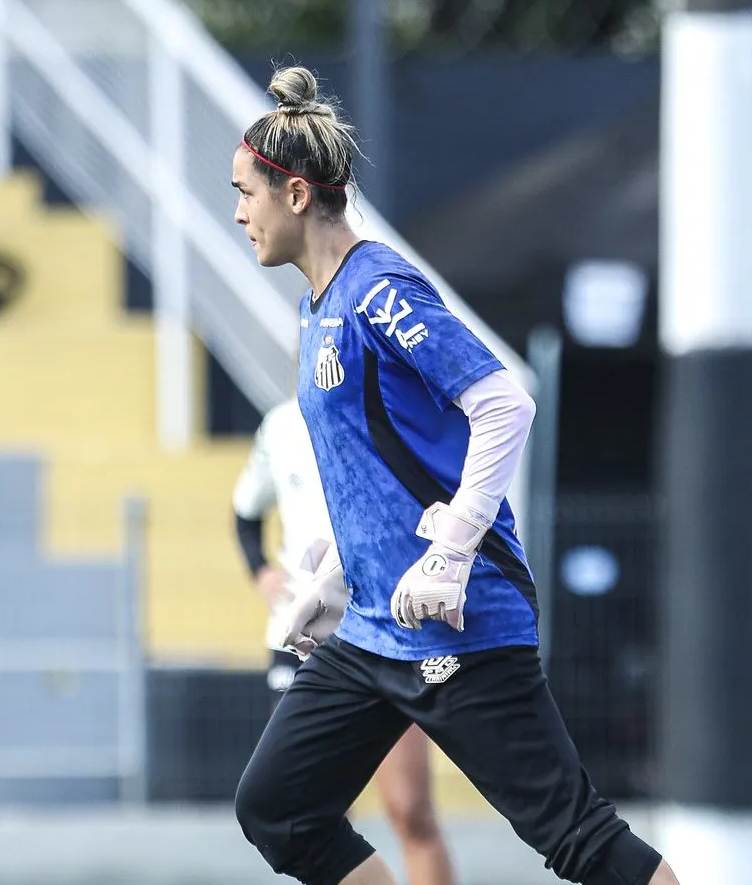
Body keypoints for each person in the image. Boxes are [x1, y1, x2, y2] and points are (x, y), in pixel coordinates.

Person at [228, 65, 683, 885]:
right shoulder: (316, 307)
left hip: (457, 623)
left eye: (245, 193)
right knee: (277, 808)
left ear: (294, 194)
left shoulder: (378, 292)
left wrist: (451, 553)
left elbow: (504, 404)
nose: (237, 213)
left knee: (576, 840)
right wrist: (332, 577)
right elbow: (376, 471)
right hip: (371, 625)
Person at [232, 397, 458, 885]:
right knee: (308, 817)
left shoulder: (391, 413)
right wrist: (263, 573)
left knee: (410, 809)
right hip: (304, 642)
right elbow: (244, 514)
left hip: (383, 633)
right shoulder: (281, 425)